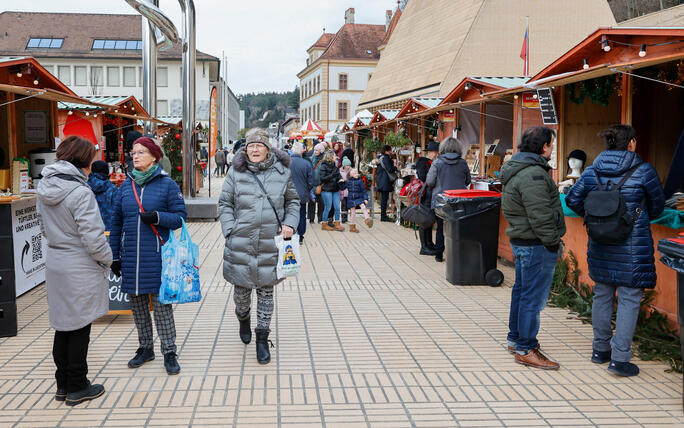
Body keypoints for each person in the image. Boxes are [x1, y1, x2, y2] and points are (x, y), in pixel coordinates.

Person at [566, 124, 665, 377]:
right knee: (630, 297)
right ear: (631, 143)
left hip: (600, 242)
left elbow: (572, 200)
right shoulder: (644, 171)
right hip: (632, 245)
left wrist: (596, 219)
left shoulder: (591, 171)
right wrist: (635, 218)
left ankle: (600, 351)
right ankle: (620, 360)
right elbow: (658, 207)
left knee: (602, 293)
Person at [36, 136, 112, 406]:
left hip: (56, 261)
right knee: (80, 327)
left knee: (63, 326)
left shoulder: (44, 187)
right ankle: (78, 385)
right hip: (79, 265)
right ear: (83, 161)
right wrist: (107, 259)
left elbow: (44, 229)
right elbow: (93, 238)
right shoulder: (80, 192)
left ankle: (62, 385)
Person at [218, 129, 300, 364]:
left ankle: (262, 339)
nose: (254, 149)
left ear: (268, 149)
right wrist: (229, 229)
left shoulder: (282, 172)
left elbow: (293, 201)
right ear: (246, 149)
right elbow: (225, 203)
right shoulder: (236, 171)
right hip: (240, 242)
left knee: (266, 292)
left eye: (259, 146)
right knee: (241, 294)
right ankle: (243, 318)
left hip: (270, 243)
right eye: (251, 146)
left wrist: (290, 223)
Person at [109, 137, 187, 375]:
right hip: (131, 256)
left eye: (141, 152)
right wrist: (114, 255)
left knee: (162, 306)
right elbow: (116, 221)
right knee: (138, 305)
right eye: (133, 152)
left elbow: (180, 216)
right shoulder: (125, 185)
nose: (135, 156)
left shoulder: (167, 185)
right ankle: (145, 347)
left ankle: (169, 350)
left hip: (158, 256)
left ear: (154, 156)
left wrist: (157, 218)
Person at [500, 126, 566, 370]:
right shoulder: (534, 175)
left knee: (522, 291)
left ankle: (516, 339)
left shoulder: (520, 169)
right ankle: (526, 348)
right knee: (532, 298)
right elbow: (540, 216)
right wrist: (553, 242)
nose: (552, 149)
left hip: (523, 241)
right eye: (551, 144)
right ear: (544, 147)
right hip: (535, 243)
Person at [425, 138, 471, 262]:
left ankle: (439, 254)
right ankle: (456, 254)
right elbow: (468, 181)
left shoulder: (437, 162)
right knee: (457, 226)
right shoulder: (462, 163)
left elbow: (429, 181)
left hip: (441, 200)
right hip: (458, 200)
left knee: (441, 227)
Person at [415, 141, 439, 255]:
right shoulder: (422, 162)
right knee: (424, 220)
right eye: (435, 152)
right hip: (425, 194)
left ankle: (429, 243)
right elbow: (423, 177)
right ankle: (424, 247)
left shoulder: (433, 162)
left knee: (429, 219)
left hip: (431, 194)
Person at [289, 142, 313, 244]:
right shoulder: (306, 163)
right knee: (302, 215)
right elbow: (311, 181)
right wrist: (307, 189)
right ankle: (300, 236)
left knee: (289, 214)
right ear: (302, 151)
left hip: (288, 194)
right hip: (302, 193)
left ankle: (291, 234)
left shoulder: (286, 163)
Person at [87, 160, 118, 231]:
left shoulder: (85, 186)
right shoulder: (112, 188)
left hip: (89, 228)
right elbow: (117, 211)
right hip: (108, 228)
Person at [319, 150, 345, 231]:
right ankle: (324, 224)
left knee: (337, 207)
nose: (336, 157)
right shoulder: (323, 166)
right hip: (327, 190)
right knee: (328, 207)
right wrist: (332, 175)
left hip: (335, 189)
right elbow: (322, 179)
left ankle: (337, 223)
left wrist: (340, 179)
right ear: (330, 157)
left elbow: (338, 175)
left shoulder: (335, 166)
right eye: (334, 156)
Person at [342, 168, 373, 232]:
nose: (356, 174)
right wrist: (341, 182)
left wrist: (365, 198)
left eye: (357, 173)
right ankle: (352, 226)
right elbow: (342, 187)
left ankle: (367, 219)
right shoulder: (348, 182)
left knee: (363, 207)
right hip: (351, 199)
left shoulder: (360, 181)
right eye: (354, 173)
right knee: (353, 213)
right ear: (351, 175)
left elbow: (364, 190)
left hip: (359, 197)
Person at [376, 145, 397, 222]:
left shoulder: (380, 157)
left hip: (381, 180)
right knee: (384, 199)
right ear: (387, 151)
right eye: (390, 150)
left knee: (383, 199)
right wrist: (395, 167)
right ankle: (383, 216)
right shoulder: (386, 158)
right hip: (385, 181)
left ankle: (383, 215)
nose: (391, 152)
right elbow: (390, 169)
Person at [308, 143, 326, 223]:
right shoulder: (311, 158)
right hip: (312, 184)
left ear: (321, 151)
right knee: (311, 202)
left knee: (321, 202)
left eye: (317, 150)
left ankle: (320, 218)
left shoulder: (324, 160)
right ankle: (311, 218)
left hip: (321, 184)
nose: (315, 151)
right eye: (315, 150)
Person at [339, 157, 352, 223]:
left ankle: (349, 217)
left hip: (350, 191)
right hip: (343, 191)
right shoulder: (340, 171)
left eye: (349, 165)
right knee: (343, 205)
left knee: (348, 205)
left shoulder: (351, 171)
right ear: (344, 165)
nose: (348, 167)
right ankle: (343, 218)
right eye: (347, 165)